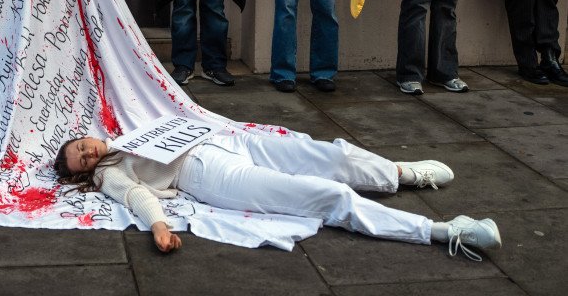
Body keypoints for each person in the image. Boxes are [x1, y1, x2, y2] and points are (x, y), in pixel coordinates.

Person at [55, 133, 501, 260]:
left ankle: (400, 173)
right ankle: (442, 231)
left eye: (82, 147)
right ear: (87, 175)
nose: (89, 154)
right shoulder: (110, 174)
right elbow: (136, 196)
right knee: (322, 193)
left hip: (223, 139)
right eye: (82, 162)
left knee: (323, 154)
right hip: (206, 172)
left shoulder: (125, 132)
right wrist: (158, 225)